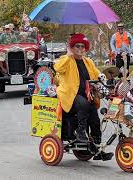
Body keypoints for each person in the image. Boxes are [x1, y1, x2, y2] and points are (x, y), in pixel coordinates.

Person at [54, 33, 114, 161]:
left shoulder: (88, 61)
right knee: (84, 104)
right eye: (77, 46)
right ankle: (80, 131)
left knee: (95, 119)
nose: (80, 49)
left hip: (85, 95)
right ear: (72, 47)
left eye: (83, 46)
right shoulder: (67, 59)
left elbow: (97, 74)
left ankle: (98, 150)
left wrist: (103, 78)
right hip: (70, 94)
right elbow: (57, 68)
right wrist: (68, 54)